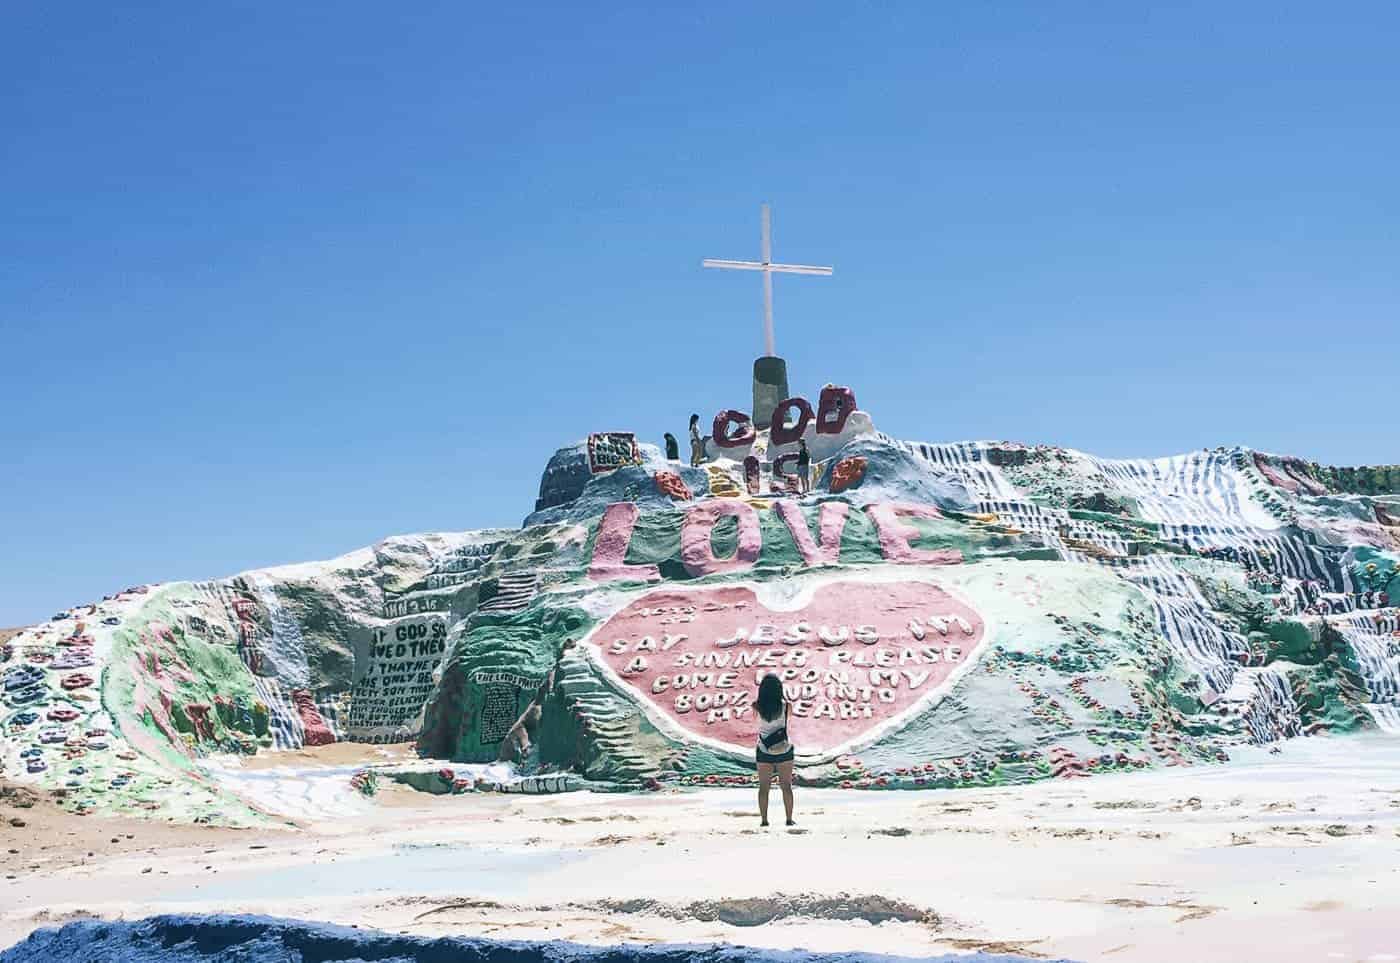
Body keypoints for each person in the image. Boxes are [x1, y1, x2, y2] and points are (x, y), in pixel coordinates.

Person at [753, 673, 795, 827]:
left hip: (764, 749)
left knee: (764, 787)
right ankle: (789, 819)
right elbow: (786, 720)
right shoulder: (786, 706)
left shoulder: (756, 706)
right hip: (784, 748)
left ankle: (764, 820)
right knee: (786, 786)